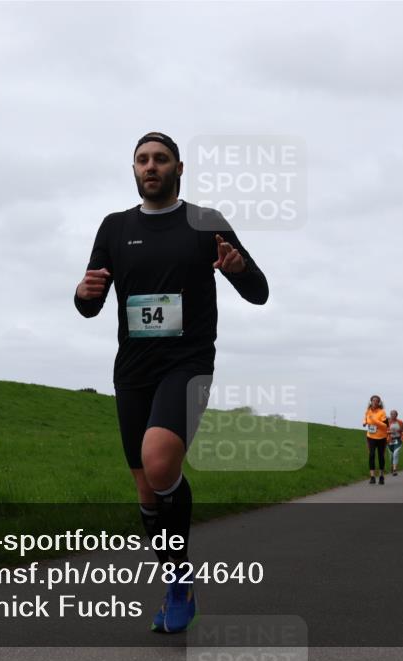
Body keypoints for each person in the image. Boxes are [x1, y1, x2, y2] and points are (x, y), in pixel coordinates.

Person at [74, 132, 269, 633]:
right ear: (133, 170)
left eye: (160, 159)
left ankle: (180, 581)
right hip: (133, 370)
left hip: (188, 363)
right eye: (142, 160)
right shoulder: (114, 227)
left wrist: (239, 269)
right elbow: (91, 303)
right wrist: (81, 292)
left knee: (160, 464)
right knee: (145, 489)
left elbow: (259, 292)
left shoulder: (206, 223)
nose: (151, 166)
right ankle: (177, 583)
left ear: (179, 168)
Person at [363, 395, 389, 484]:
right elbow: (365, 419)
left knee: (381, 456)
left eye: (376, 401)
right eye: (373, 400)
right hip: (370, 436)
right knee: (371, 455)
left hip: (381, 437)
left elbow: (385, 425)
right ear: (371, 402)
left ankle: (381, 476)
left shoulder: (382, 412)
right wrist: (364, 422)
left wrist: (374, 421)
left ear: (379, 403)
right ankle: (372, 477)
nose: (374, 402)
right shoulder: (368, 411)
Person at [387, 409, 403, 476]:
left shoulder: (400, 422)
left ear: (396, 415)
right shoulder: (387, 422)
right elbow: (384, 431)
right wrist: (390, 432)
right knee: (391, 455)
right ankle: (392, 466)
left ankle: (394, 469)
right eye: (392, 414)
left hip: (398, 440)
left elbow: (402, 429)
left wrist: (400, 430)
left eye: (394, 414)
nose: (393, 415)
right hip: (390, 440)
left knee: (395, 454)